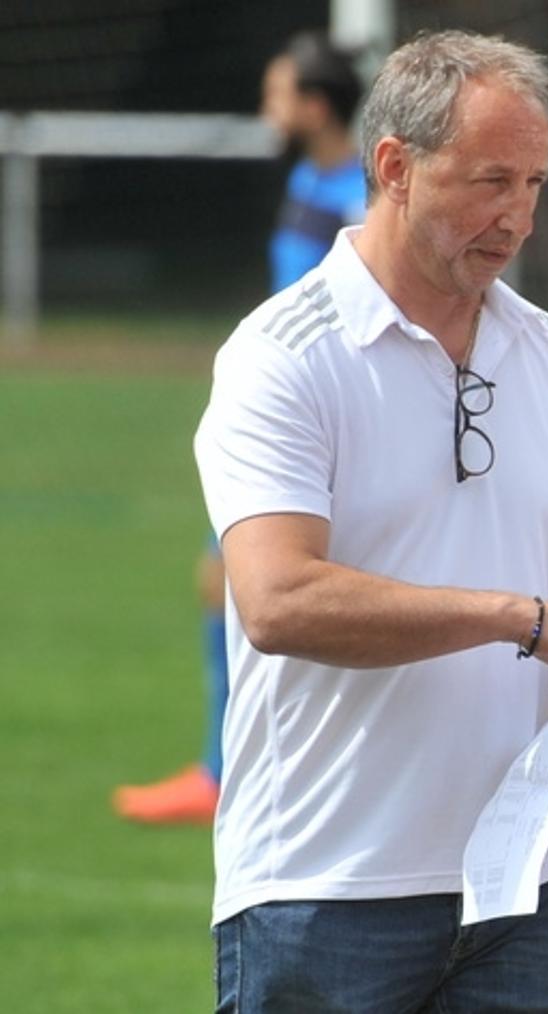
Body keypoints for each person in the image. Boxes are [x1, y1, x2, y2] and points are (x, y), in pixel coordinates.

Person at [194, 30, 548, 1011]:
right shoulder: (280, 357)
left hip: (528, 879)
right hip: (322, 884)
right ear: (396, 167)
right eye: (492, 181)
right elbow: (279, 602)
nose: (519, 216)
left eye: (534, 183)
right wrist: (519, 619)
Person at [113, 31, 367, 825]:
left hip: (326, 419)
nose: (267, 109)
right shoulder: (310, 176)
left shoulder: (361, 196)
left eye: (278, 93)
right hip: (285, 403)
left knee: (269, 585)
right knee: (222, 577)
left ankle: (238, 774)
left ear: (315, 106)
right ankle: (224, 769)